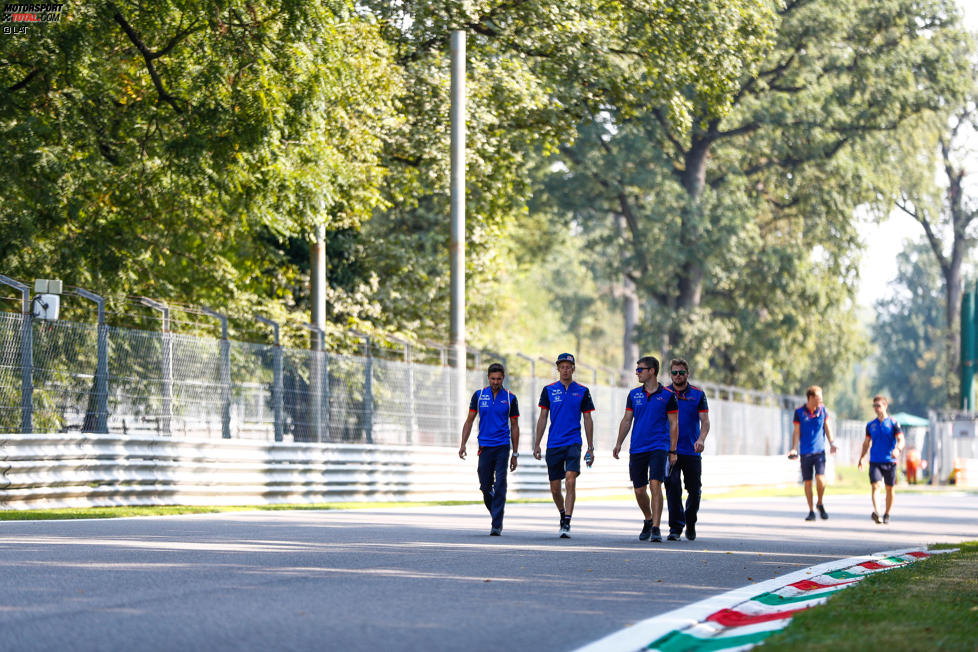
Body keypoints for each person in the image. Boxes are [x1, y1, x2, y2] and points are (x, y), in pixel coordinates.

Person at [613, 356, 678, 543]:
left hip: (659, 446)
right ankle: (648, 519)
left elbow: (674, 424)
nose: (637, 372)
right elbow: (627, 420)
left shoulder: (668, 395)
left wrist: (672, 451)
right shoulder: (634, 395)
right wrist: (618, 443)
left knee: (655, 483)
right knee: (639, 490)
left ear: (652, 371)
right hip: (638, 447)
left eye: (640, 369)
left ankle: (656, 528)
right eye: (637, 369)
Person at [533, 353, 595, 538]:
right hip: (554, 443)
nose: (565, 369)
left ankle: (567, 521)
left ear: (573, 368)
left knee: (570, 479)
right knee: (554, 487)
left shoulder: (583, 391)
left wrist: (590, 447)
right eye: (562, 366)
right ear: (558, 368)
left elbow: (588, 418)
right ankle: (562, 512)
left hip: (573, 442)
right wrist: (537, 443)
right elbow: (543, 417)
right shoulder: (549, 390)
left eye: (569, 366)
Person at [459, 363, 520, 536]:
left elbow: (515, 426)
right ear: (488, 378)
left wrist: (515, 454)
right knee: (485, 486)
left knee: (500, 483)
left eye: (499, 379)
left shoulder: (510, 398)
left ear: (503, 379)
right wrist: (463, 443)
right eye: (493, 379)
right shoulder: (479, 396)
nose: (495, 382)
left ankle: (496, 523)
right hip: (484, 447)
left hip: (502, 446)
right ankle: (496, 511)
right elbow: (469, 420)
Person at [665, 358, 710, 541]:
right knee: (672, 488)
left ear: (687, 374)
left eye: (681, 372)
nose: (678, 376)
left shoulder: (698, 395)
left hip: (692, 450)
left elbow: (705, 422)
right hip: (671, 450)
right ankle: (675, 528)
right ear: (670, 374)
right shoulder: (665, 393)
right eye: (674, 373)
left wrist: (701, 439)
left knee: (694, 490)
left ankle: (690, 521)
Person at [787, 385, 838, 521]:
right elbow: (796, 432)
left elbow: (827, 428)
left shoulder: (823, 410)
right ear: (811, 397)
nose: (821, 400)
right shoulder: (799, 412)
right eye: (818, 397)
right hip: (805, 452)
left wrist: (832, 443)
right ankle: (811, 511)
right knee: (808, 483)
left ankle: (819, 502)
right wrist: (794, 448)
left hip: (819, 451)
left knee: (821, 479)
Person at [857, 396, 904, 524]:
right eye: (875, 406)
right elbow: (866, 443)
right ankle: (877, 513)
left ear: (885, 406)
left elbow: (901, 440)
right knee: (876, 486)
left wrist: (898, 449)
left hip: (890, 461)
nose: (876, 408)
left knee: (890, 489)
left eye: (879, 406)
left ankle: (887, 513)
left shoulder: (893, 423)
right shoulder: (870, 425)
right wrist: (861, 458)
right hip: (875, 461)